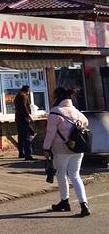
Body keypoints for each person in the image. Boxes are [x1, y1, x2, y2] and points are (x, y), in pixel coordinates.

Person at [43, 87, 90, 217]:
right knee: (75, 175)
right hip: (77, 148)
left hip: (61, 149)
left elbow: (50, 133)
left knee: (61, 174)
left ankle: (65, 201)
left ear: (58, 97)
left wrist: (46, 148)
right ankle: (84, 204)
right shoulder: (76, 111)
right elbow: (86, 122)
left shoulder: (55, 112)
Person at [14, 85, 34, 160]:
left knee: (21, 137)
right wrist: (29, 116)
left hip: (18, 118)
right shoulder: (23, 96)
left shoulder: (17, 96)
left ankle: (21, 153)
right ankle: (28, 155)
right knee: (27, 137)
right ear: (27, 90)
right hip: (24, 118)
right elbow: (24, 108)